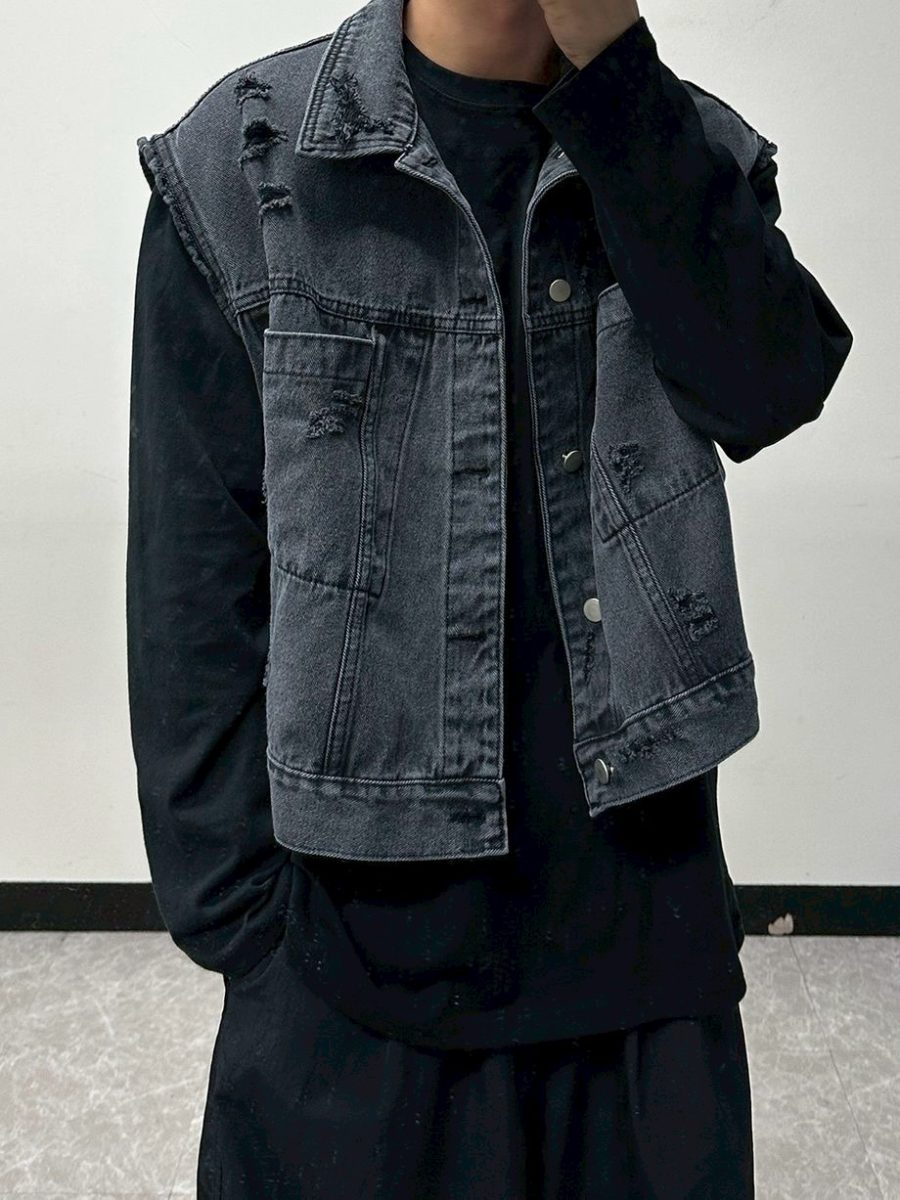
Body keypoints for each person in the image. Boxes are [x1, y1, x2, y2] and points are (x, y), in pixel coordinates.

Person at [126, 0, 853, 1195]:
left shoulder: (680, 149)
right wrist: (252, 938)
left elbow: (772, 383)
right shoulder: (252, 164)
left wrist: (617, 76)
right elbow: (192, 595)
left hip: (644, 983)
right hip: (348, 998)